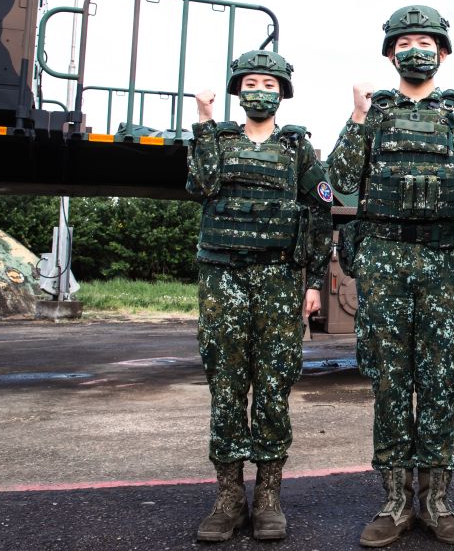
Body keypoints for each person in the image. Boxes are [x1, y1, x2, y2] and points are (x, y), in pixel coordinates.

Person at [327, 5, 454, 547]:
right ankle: (396, 503)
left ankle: (439, 502)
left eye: (425, 41)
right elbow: (339, 179)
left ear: (442, 53)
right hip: (384, 261)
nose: (415, 50)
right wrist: (355, 115)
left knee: (441, 380)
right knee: (390, 381)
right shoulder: (373, 113)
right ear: (391, 54)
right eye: (404, 43)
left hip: (444, 262)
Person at [186, 49, 333, 543]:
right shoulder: (219, 140)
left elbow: (318, 212)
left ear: (281, 93)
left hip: (279, 279)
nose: (259, 91)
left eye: (269, 85)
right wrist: (204, 122)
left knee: (273, 386)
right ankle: (228, 498)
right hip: (223, 277)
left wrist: (313, 281)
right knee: (227, 387)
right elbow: (201, 185)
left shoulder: (298, 149)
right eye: (251, 82)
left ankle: (268, 497)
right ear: (237, 88)